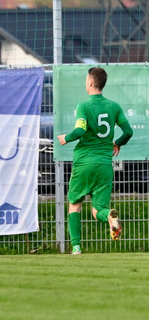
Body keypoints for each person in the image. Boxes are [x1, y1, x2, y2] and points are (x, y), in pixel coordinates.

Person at [56, 66, 133, 254]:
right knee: (98, 210)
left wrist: (66, 137)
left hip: (84, 163)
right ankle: (110, 217)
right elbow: (128, 132)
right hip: (104, 165)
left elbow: (81, 130)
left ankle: (76, 247)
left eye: (85, 80)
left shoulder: (84, 106)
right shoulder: (114, 106)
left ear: (90, 82)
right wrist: (118, 142)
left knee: (75, 204)